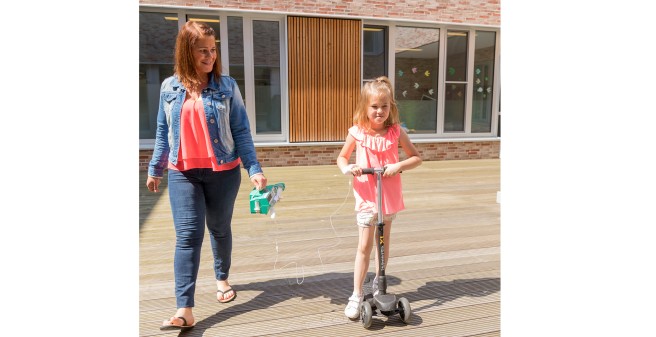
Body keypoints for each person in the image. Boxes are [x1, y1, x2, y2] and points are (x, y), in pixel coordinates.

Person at [146, 21, 267, 331]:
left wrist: (254, 168)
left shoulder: (227, 86)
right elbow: (162, 130)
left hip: (223, 172)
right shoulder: (168, 88)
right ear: (187, 52)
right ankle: (184, 308)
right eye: (203, 51)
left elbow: (241, 129)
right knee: (187, 236)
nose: (210, 56)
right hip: (182, 173)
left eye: (213, 50)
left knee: (219, 228)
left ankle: (222, 277)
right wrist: (156, 168)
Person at [336, 76, 422, 319]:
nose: (379, 111)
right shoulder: (357, 133)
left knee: (382, 245)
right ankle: (356, 293)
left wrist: (398, 165)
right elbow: (342, 157)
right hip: (366, 195)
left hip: (388, 195)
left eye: (384, 106)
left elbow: (416, 157)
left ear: (390, 108)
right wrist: (348, 168)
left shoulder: (396, 132)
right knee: (364, 245)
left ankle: (379, 284)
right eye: (374, 106)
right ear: (365, 107)